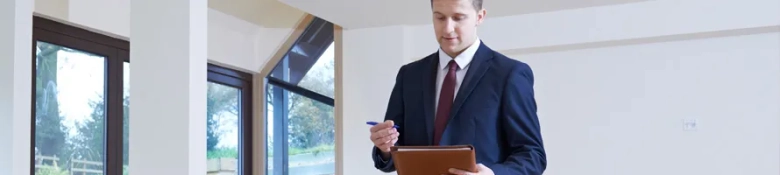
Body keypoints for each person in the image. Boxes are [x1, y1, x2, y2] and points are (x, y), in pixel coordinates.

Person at [368, 0, 547, 174]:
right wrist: (385, 147)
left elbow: (532, 156)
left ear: (480, 16)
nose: (447, 28)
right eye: (439, 18)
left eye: (458, 17)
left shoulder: (509, 74)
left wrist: (493, 174)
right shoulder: (409, 75)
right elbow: (394, 152)